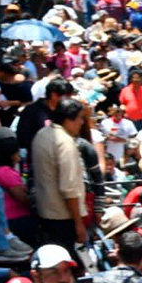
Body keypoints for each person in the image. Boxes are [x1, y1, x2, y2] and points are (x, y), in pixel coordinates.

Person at [32, 97, 90, 254]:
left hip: (45, 213)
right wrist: (79, 224)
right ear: (69, 119)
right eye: (80, 118)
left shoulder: (41, 134)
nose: (82, 123)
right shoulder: (65, 142)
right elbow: (68, 188)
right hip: (63, 217)